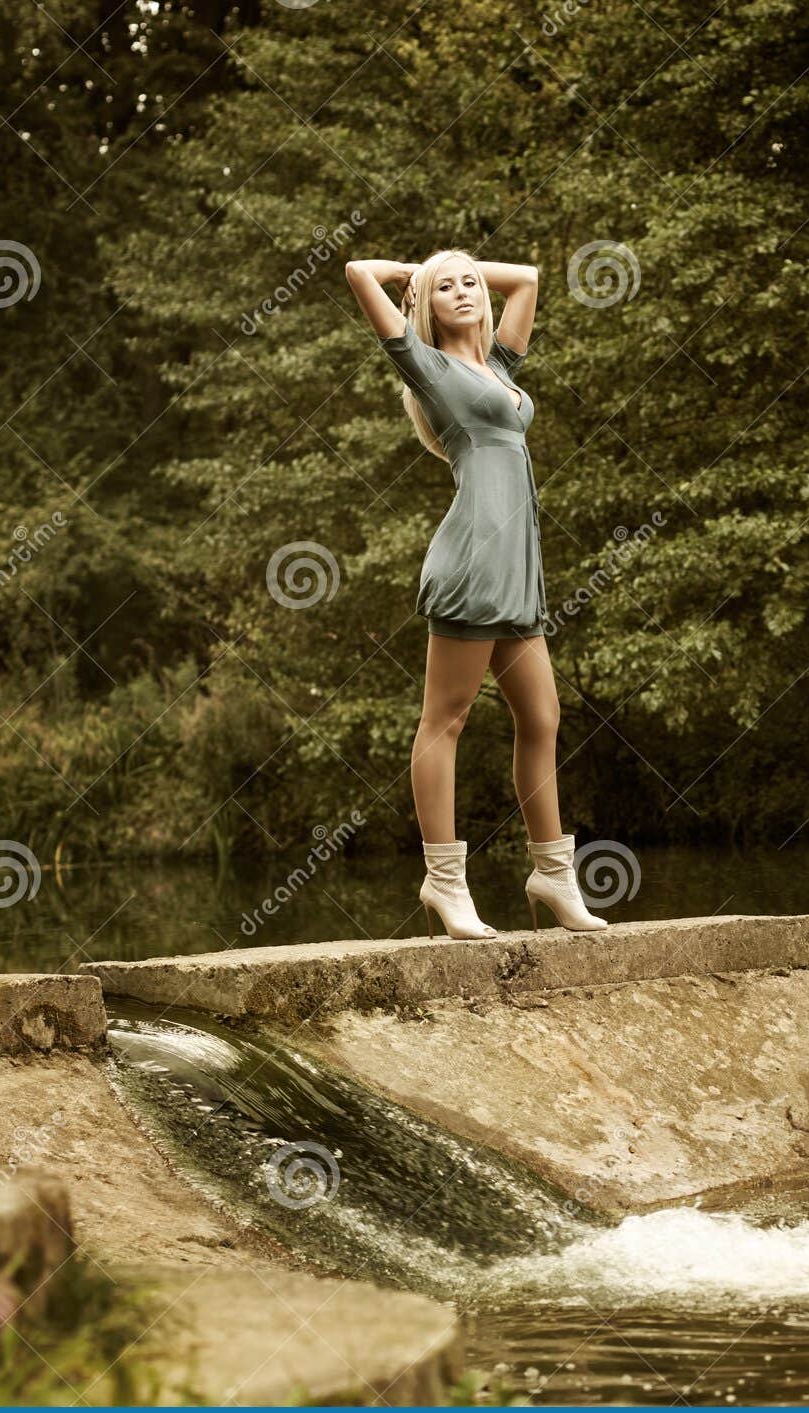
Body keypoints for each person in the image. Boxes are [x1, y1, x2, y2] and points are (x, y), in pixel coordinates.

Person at [344, 248, 606, 938]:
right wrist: (414, 275)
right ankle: (444, 879)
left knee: (543, 717)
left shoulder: (500, 367)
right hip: (471, 561)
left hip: (516, 567)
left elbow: (529, 279)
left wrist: (457, 268)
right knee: (446, 720)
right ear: (425, 306)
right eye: (446, 289)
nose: (463, 292)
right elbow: (355, 274)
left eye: (469, 285)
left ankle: (552, 871)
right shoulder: (427, 367)